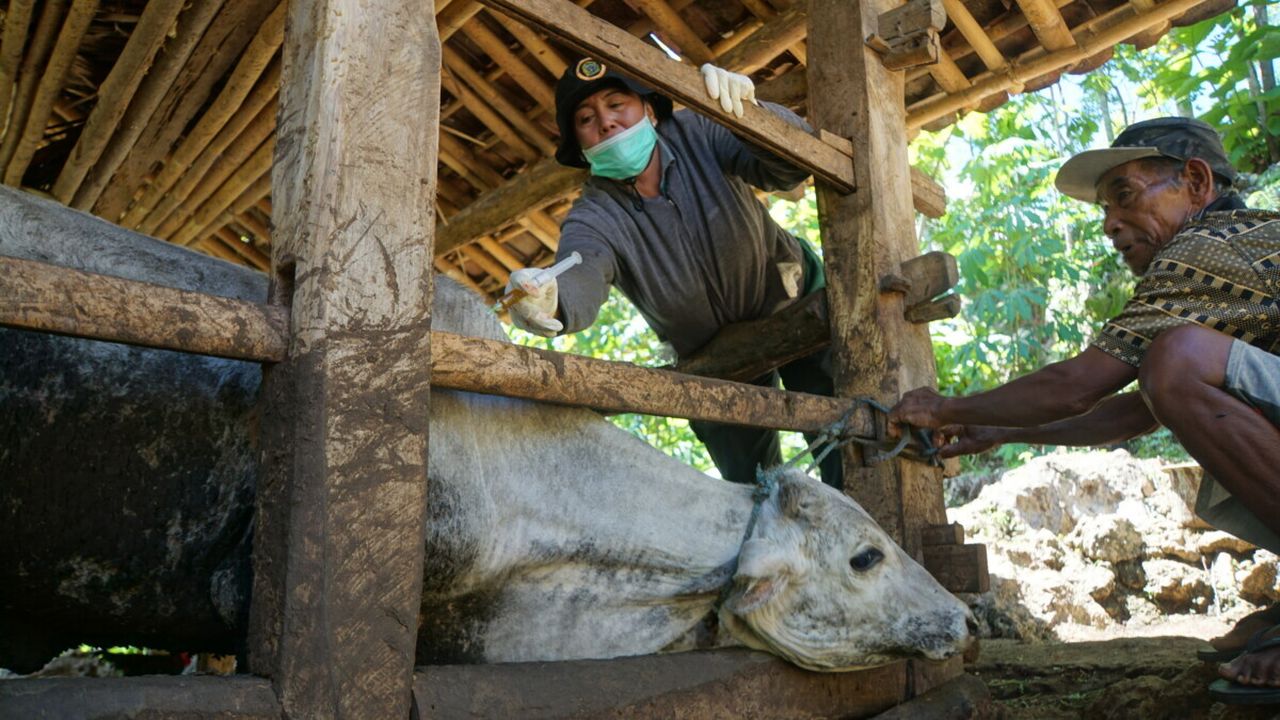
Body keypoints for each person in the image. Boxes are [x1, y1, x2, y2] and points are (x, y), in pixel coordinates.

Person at [887, 117, 1280, 704]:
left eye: (1124, 195)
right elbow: (1139, 410)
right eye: (1104, 208)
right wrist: (996, 427)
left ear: (1196, 182)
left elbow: (1079, 384)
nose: (1110, 225)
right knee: (1171, 366)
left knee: (1175, 358)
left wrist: (945, 407)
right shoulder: (1233, 253)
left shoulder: (1212, 247)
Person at [505, 57, 842, 490]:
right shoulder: (593, 214)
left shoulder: (699, 131)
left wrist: (751, 115)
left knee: (846, 440)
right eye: (587, 119)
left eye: (616, 104)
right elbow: (580, 275)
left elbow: (786, 168)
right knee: (754, 489)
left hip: (794, 299)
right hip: (712, 359)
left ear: (648, 109)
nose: (605, 122)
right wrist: (548, 296)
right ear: (580, 146)